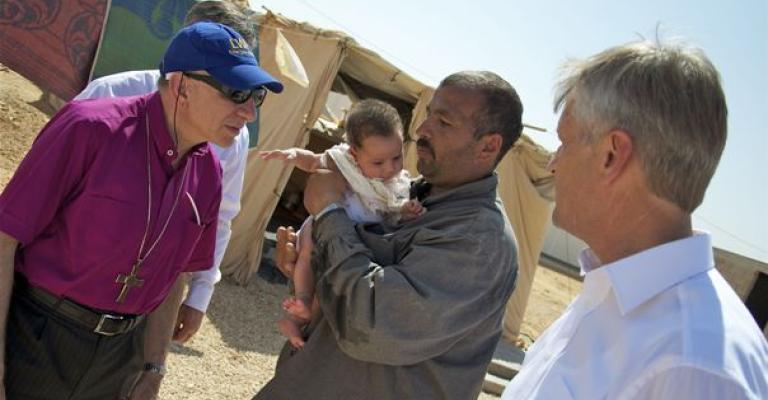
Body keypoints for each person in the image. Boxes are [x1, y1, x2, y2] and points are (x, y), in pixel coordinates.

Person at [0, 21, 283, 400]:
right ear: (183, 85)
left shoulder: (209, 173)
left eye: (256, 96)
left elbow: (173, 276)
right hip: (36, 336)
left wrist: (153, 369)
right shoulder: (91, 129)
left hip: (122, 359)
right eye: (236, 93)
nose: (249, 112)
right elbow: (5, 238)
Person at [502, 41, 768, 400]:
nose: (553, 163)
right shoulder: (612, 295)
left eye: (564, 142)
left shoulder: (691, 366)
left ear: (612, 155)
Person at [254, 71, 522, 400]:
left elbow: (372, 325)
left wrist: (327, 214)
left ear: (488, 146)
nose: (422, 130)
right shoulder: (402, 195)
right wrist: (305, 263)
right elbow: (347, 279)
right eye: (428, 115)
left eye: (444, 122)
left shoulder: (481, 240)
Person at [74, 0, 253, 345]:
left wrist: (199, 295)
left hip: (140, 313)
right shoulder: (108, 96)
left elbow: (219, 218)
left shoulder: (233, 136)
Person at [260, 99, 425, 348]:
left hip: (350, 237)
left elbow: (391, 209)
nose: (389, 168)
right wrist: (293, 155)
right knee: (306, 256)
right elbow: (315, 161)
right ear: (353, 153)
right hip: (325, 224)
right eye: (378, 163)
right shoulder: (344, 163)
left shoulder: (398, 183)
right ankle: (302, 301)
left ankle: (298, 320)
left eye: (396, 157)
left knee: (327, 278)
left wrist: (406, 210)